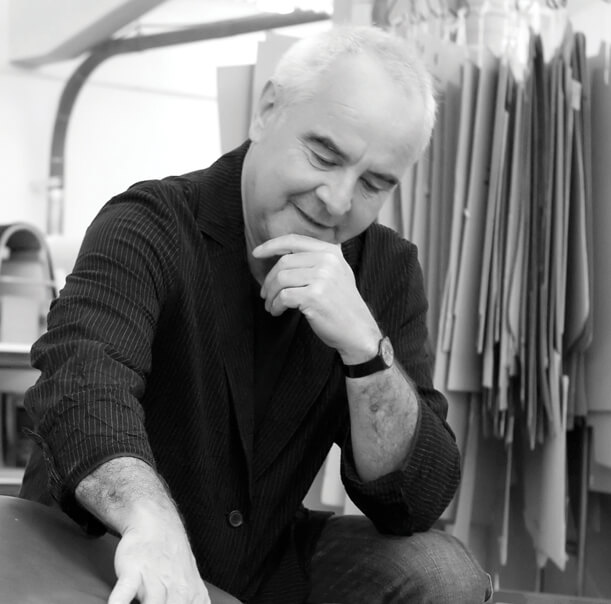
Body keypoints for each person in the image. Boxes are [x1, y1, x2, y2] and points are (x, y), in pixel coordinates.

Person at [20, 25, 492, 604]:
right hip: (104, 550)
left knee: (444, 575)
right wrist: (150, 523)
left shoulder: (384, 268)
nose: (338, 201)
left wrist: (365, 352)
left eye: (373, 184)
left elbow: (415, 502)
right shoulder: (148, 223)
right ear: (268, 110)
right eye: (323, 155)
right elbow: (84, 384)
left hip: (260, 561)